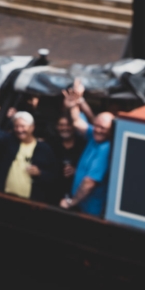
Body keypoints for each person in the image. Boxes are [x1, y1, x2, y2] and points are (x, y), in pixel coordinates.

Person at [60, 79, 114, 217]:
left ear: (111, 131)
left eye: (103, 128)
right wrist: (72, 105)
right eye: (96, 126)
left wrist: (71, 202)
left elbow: (89, 182)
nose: (98, 130)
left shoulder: (105, 148)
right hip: (81, 206)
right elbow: (77, 122)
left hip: (90, 211)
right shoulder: (94, 136)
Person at [0, 111, 60, 203]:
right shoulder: (10, 141)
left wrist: (40, 173)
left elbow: (54, 176)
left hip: (29, 202)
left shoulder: (44, 149)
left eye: (23, 126)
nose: (19, 130)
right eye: (16, 126)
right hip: (3, 196)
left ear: (32, 127)